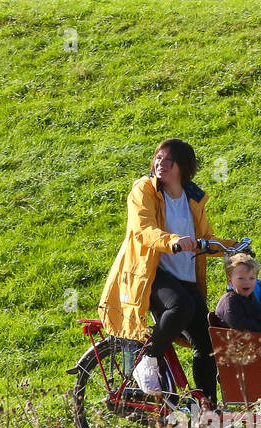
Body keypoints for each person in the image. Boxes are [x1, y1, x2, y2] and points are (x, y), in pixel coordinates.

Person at [96, 138, 236, 405]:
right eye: (158, 158)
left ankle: (208, 408)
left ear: (183, 167)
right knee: (180, 306)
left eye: (168, 160)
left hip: (185, 277)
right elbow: (144, 229)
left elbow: (205, 238)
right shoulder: (144, 190)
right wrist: (172, 241)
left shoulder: (193, 198)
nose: (160, 164)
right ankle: (147, 359)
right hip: (151, 272)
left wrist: (233, 247)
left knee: (207, 343)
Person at [214, 253, 261, 333]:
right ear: (231, 281)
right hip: (232, 342)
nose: (246, 282)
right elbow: (238, 324)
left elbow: (259, 316)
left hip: (250, 340)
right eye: (241, 278)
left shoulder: (250, 297)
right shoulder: (230, 300)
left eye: (251, 278)